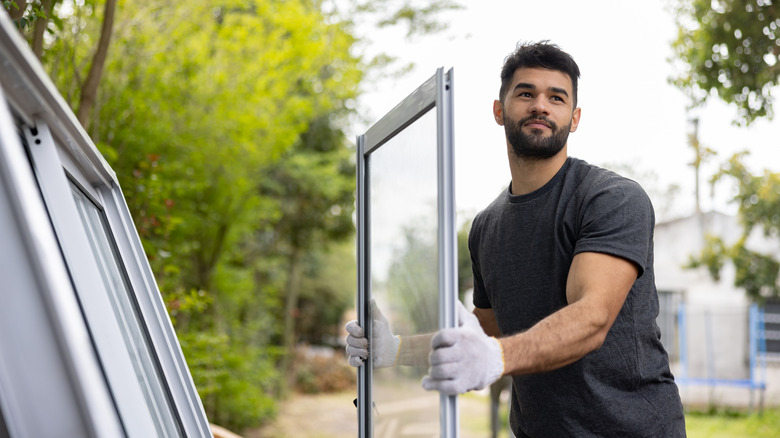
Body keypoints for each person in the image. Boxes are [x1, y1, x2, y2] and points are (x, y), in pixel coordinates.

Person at [346, 40, 686, 437]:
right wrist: (396, 349)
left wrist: (496, 357)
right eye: (526, 93)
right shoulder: (486, 226)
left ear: (574, 118)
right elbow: (486, 332)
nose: (540, 105)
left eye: (556, 97)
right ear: (499, 110)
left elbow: (592, 318)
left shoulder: (610, 198)